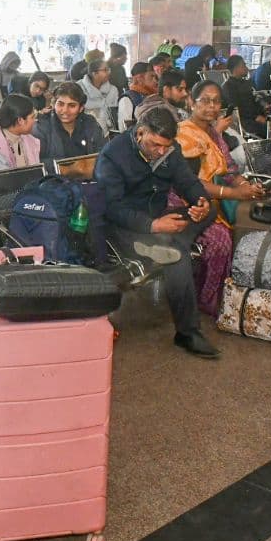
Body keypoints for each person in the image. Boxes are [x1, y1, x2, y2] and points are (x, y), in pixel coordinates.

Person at [95, 109, 218, 358]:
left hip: (161, 219)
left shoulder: (169, 151)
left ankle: (168, 241)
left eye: (166, 146)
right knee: (176, 255)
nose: (161, 152)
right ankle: (187, 332)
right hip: (125, 227)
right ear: (140, 133)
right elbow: (112, 208)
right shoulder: (113, 156)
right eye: (155, 145)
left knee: (212, 209)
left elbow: (187, 181)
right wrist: (154, 226)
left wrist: (199, 203)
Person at [175, 81, 266, 315]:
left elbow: (231, 169)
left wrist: (246, 186)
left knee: (256, 218)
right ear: (190, 102)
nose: (212, 106)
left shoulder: (214, 133)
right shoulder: (184, 134)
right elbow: (190, 183)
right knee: (220, 240)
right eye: (204, 100)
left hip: (218, 200)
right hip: (189, 203)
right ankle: (205, 298)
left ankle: (231, 291)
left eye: (216, 101)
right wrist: (235, 193)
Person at [32, 81, 107, 163]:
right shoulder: (41, 126)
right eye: (60, 104)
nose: (65, 110)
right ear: (53, 104)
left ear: (81, 108)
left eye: (72, 106)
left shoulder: (90, 123)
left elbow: (102, 155)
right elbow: (37, 163)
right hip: (54, 175)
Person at [79, 58, 118, 131]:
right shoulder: (79, 88)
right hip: (84, 130)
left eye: (109, 69)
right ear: (94, 73)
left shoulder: (113, 90)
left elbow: (114, 115)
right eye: (105, 70)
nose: (109, 72)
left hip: (107, 132)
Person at [118, 61, 156, 130]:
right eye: (152, 76)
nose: (155, 81)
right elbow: (124, 129)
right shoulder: (127, 99)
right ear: (140, 78)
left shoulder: (154, 97)